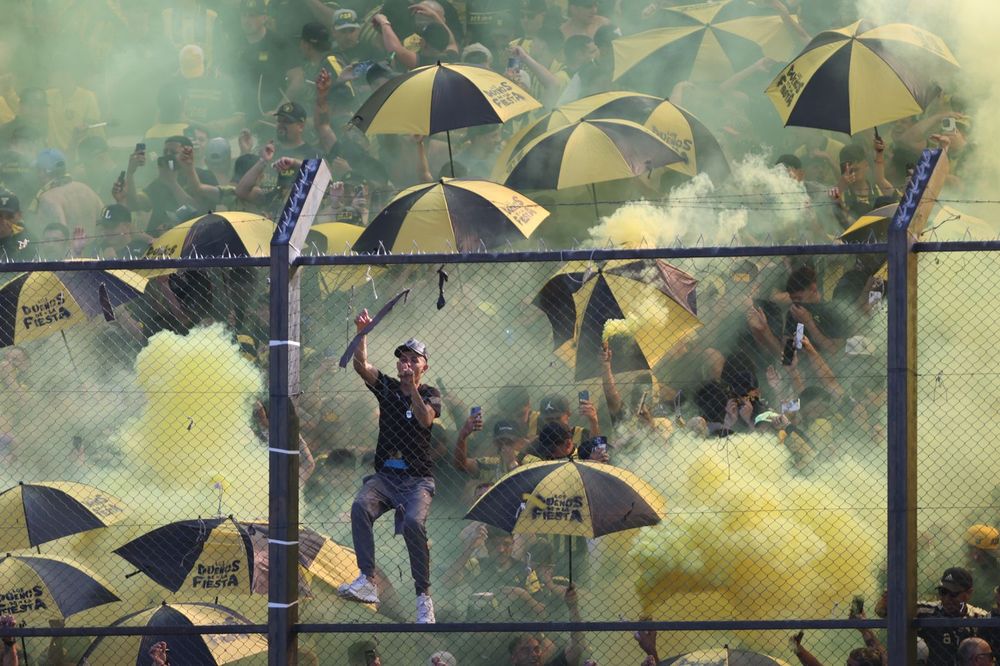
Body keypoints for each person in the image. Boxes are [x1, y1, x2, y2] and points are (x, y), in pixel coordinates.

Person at [341, 314, 442, 624]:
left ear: (424, 366)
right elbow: (361, 366)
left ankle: (423, 598)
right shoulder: (386, 387)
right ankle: (368, 581)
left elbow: (425, 419)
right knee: (360, 506)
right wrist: (362, 334)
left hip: (417, 481)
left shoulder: (429, 394)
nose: (406, 363)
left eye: (413, 360)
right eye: (402, 359)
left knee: (413, 524)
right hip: (385, 476)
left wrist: (412, 388)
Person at [33, 148, 104, 240]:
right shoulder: (85, 188)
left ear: (43, 172)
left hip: (70, 253)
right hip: (93, 252)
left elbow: (57, 239)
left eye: (37, 170)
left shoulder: (48, 198)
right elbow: (103, 221)